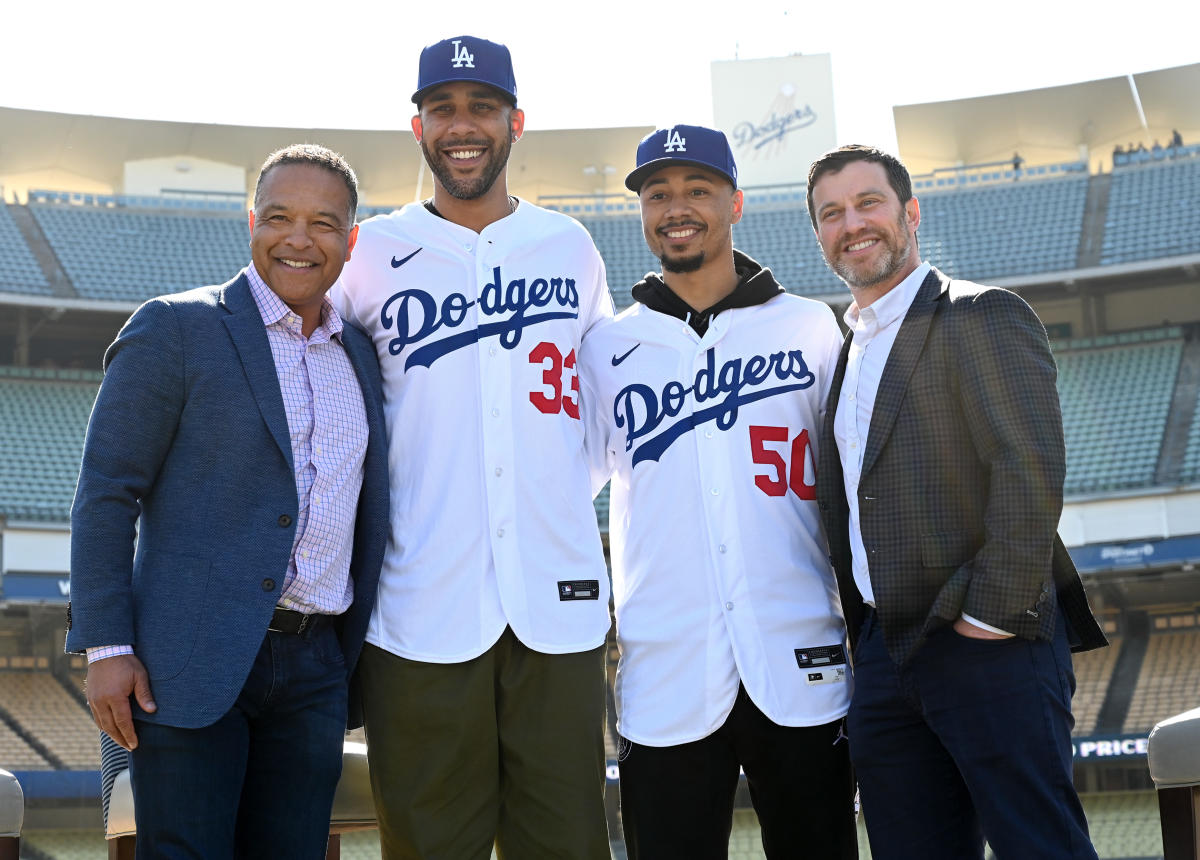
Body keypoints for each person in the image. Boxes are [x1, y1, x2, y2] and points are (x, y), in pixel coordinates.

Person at [331, 35, 613, 859]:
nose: (463, 125)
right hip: (420, 606)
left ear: (515, 121)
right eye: (442, 108)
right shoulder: (369, 252)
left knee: (566, 846)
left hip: (555, 611)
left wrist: (547, 495)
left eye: (482, 107)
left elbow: (592, 417)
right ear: (416, 126)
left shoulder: (569, 246)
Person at [66, 143, 389, 858]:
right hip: (188, 659)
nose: (299, 239)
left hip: (314, 668)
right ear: (251, 222)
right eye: (279, 217)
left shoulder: (362, 355)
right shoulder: (175, 328)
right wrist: (107, 645)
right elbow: (105, 494)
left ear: (351, 240)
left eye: (323, 223)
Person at [808, 144, 1107, 860]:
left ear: (909, 212)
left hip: (985, 643)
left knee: (1040, 849)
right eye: (831, 213)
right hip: (885, 656)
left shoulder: (982, 314)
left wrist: (986, 619)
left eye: (868, 203)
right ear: (819, 236)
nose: (852, 223)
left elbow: (1029, 470)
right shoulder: (843, 354)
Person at [578, 125, 855, 859]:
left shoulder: (809, 328)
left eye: (698, 189)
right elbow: (565, 484)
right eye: (658, 193)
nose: (678, 207)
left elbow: (857, 484)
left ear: (734, 202)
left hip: (799, 654)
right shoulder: (606, 347)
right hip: (667, 666)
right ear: (641, 213)